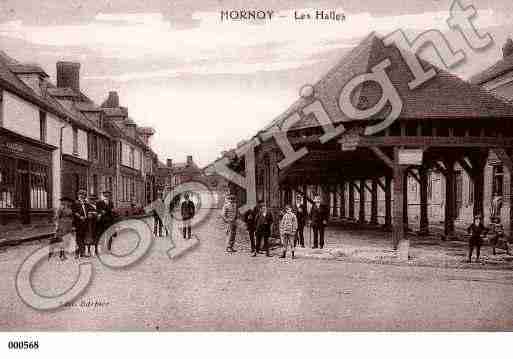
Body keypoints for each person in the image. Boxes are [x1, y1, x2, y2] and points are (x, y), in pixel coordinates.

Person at [72, 189, 94, 259]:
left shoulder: (87, 204)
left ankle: (82, 253)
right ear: (78, 195)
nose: (82, 196)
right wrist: (80, 216)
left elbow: (92, 210)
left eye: (84, 195)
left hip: (85, 223)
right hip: (78, 223)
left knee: (83, 238)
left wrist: (91, 213)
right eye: (81, 195)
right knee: (78, 238)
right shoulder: (75, 203)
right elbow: (74, 212)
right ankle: (78, 253)